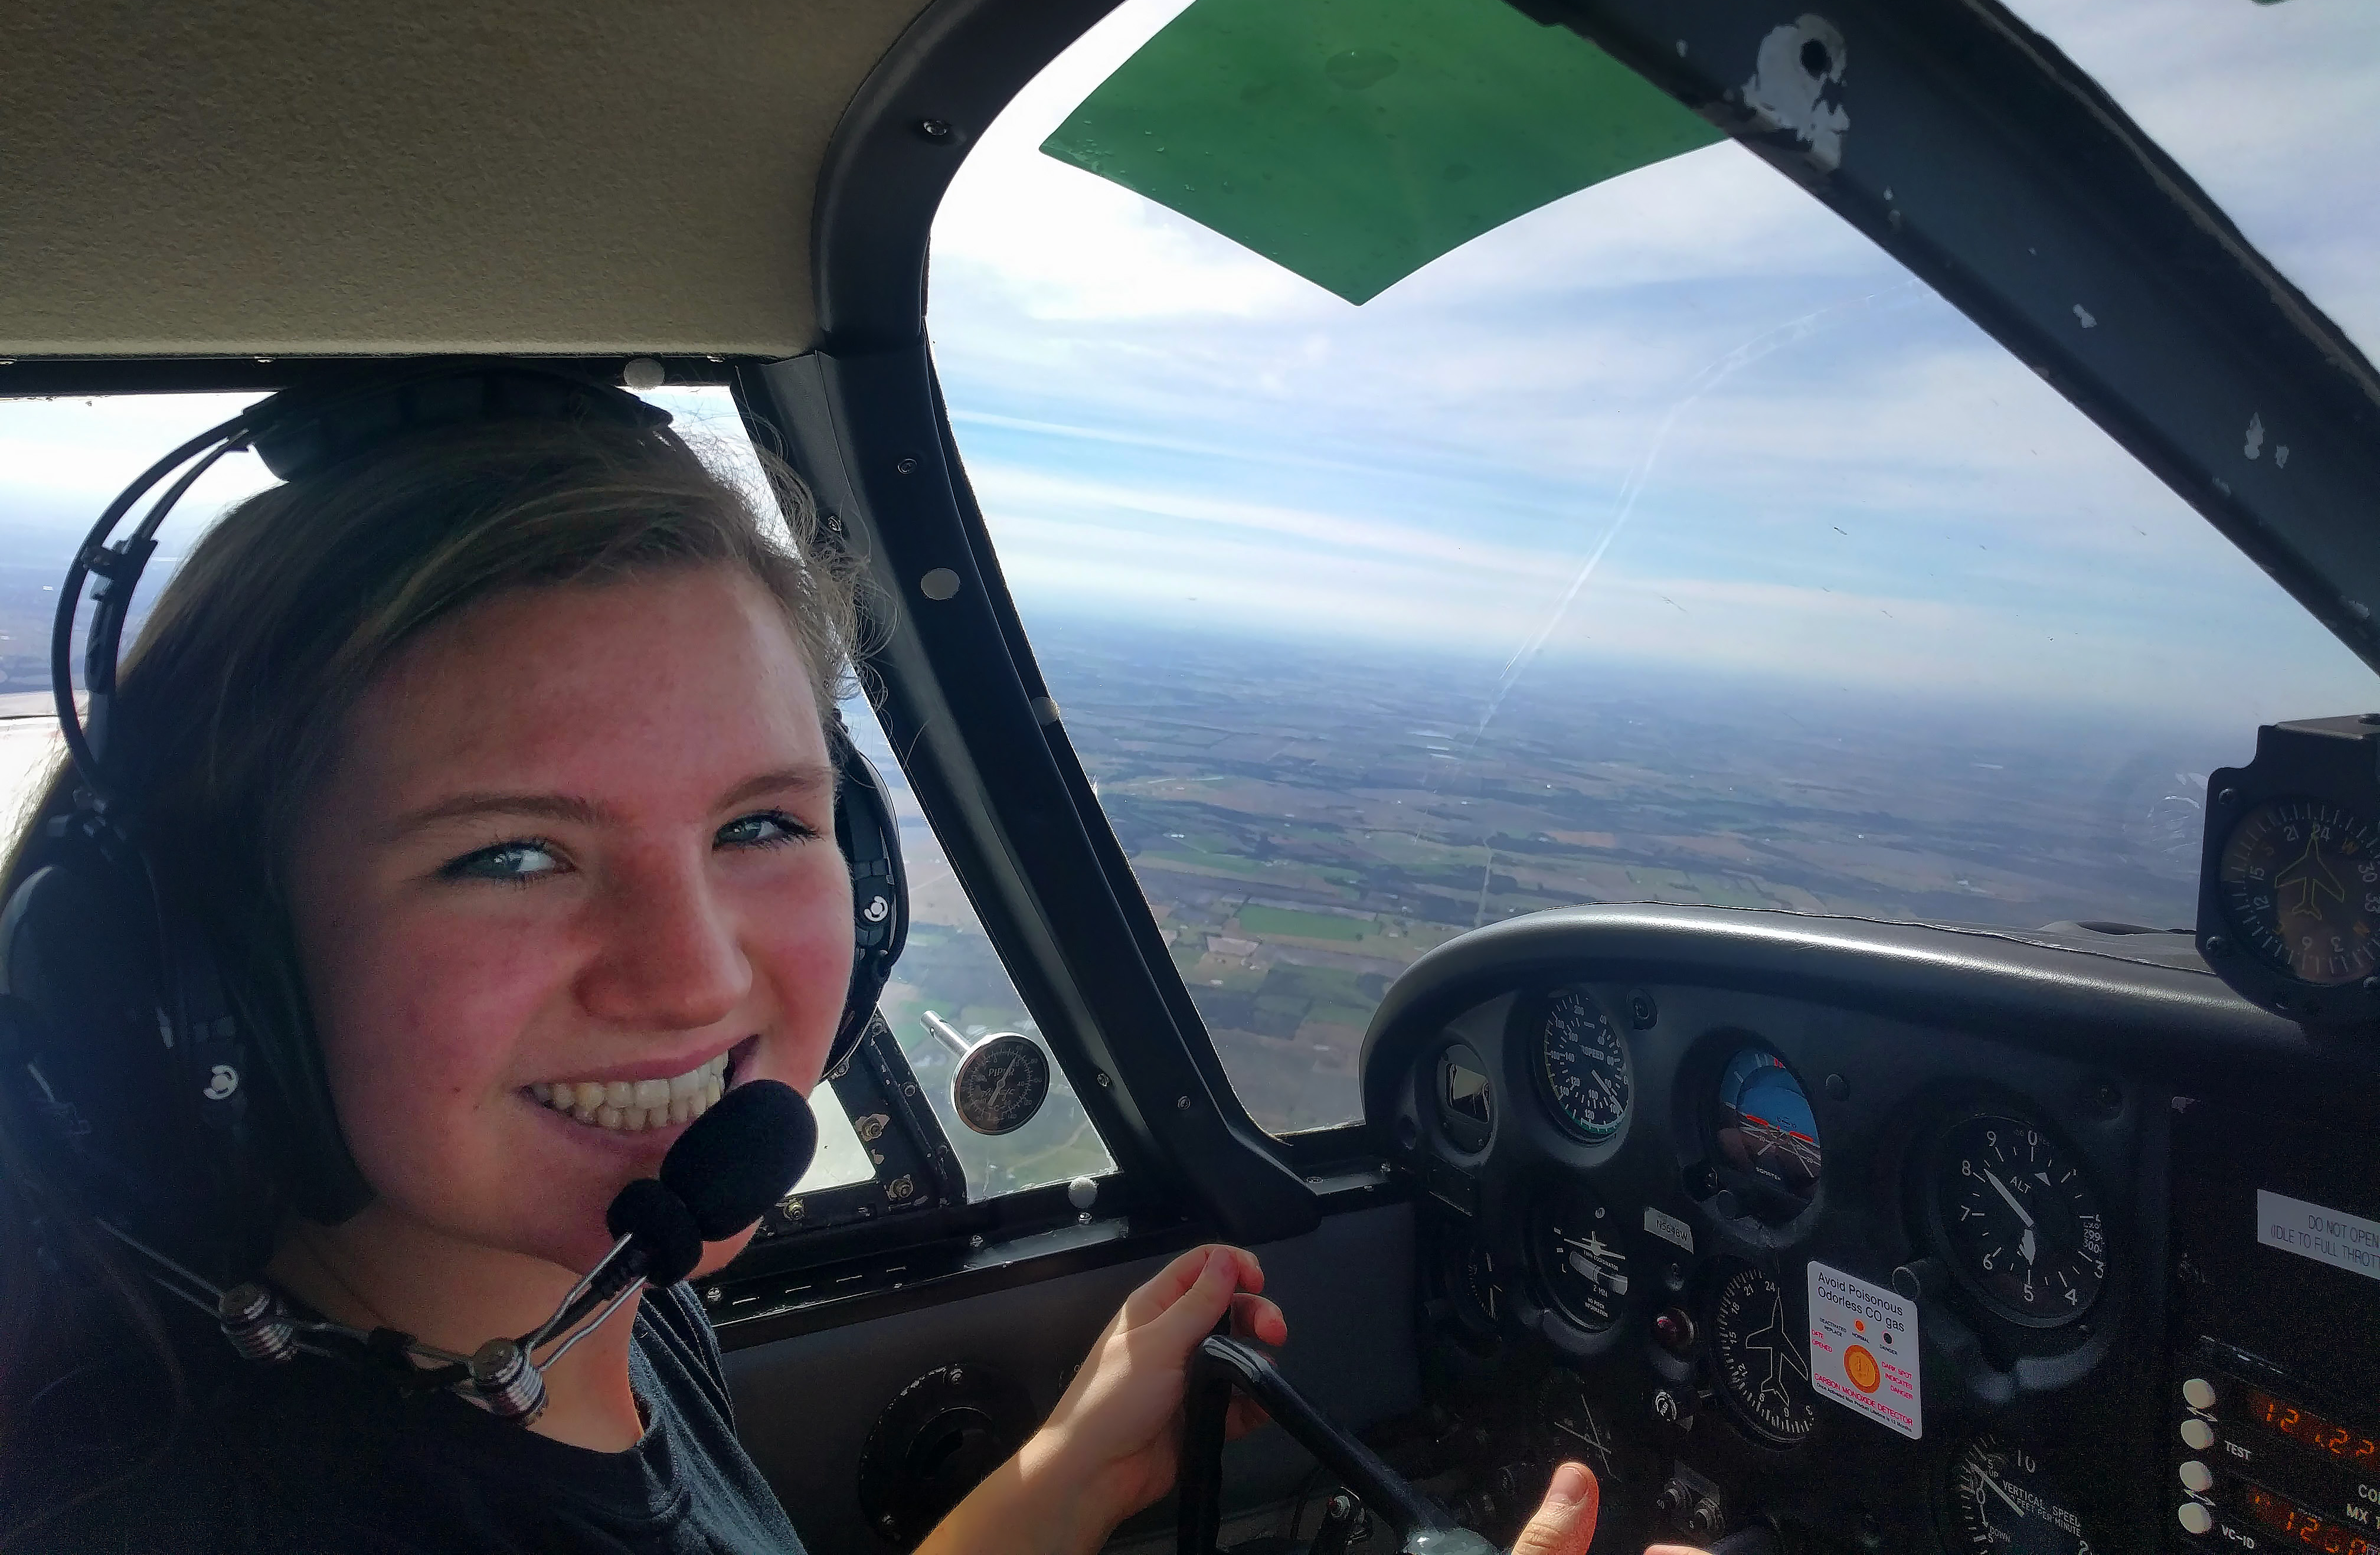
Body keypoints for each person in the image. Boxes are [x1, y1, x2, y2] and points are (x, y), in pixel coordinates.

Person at [0, 390, 1625, 1554]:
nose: (693, 979)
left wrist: (1059, 1478)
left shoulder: (587, 1297)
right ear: (207, 969)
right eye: (510, 854)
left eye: (761, 824)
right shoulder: (192, 1505)